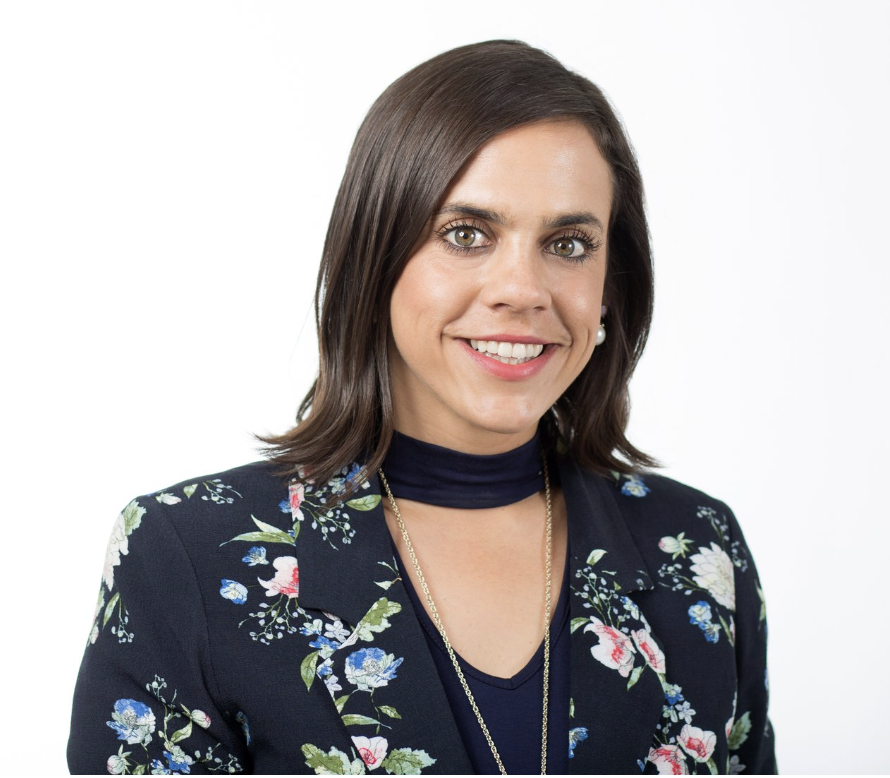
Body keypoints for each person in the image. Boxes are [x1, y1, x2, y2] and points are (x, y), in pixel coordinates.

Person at [68, 40, 776, 775]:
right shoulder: (183, 555)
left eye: (568, 244)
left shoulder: (698, 550)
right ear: (375, 261)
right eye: (466, 235)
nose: (523, 289)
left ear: (609, 289)